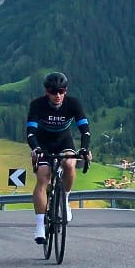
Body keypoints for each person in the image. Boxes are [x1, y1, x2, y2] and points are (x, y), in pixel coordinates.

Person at [26, 71, 91, 244]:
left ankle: (65, 200)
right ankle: (40, 226)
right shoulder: (37, 105)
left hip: (64, 141)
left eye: (61, 91)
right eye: (54, 92)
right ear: (46, 91)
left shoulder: (73, 104)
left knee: (70, 163)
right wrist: (36, 148)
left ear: (66, 91)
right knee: (43, 175)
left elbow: (85, 129)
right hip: (43, 143)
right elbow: (31, 132)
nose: (58, 95)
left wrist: (84, 148)